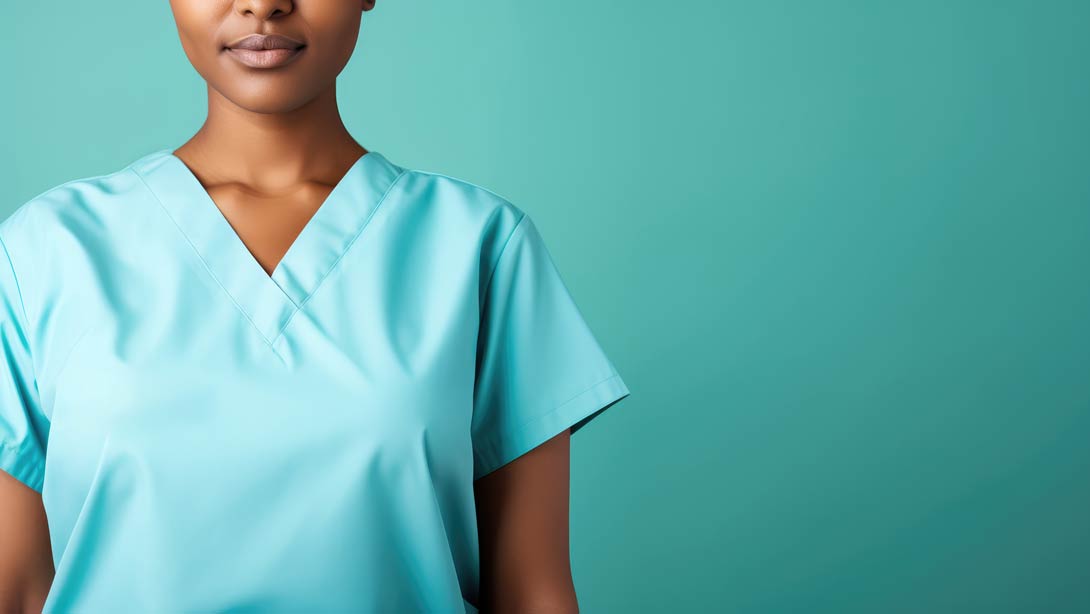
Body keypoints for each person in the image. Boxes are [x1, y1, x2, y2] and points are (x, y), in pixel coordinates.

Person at [0, 0, 631, 611]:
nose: (262, 5)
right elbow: (17, 589)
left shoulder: (480, 247)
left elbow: (532, 592)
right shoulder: (41, 252)